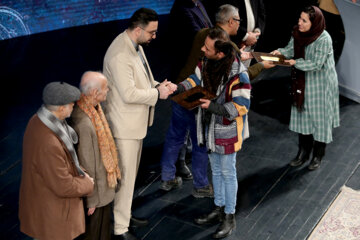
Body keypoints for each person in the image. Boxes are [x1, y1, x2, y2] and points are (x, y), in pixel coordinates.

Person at [102, 8, 176, 240]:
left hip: (134, 123)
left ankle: (123, 213)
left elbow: (142, 78)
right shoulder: (120, 54)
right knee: (124, 178)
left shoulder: (136, 45)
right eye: (152, 32)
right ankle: (120, 228)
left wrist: (158, 85)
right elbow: (129, 94)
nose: (154, 36)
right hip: (124, 126)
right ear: (137, 30)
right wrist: (158, 94)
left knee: (130, 177)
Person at [175, 27, 251, 239]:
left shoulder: (239, 74)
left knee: (228, 172)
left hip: (227, 131)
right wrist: (178, 88)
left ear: (220, 53)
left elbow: (242, 106)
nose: (202, 49)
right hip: (208, 129)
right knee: (216, 171)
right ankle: (218, 207)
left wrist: (214, 107)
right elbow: (194, 79)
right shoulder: (206, 62)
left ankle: (229, 216)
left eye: (207, 48)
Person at [19, 81, 94, 240]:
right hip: (52, 216)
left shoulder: (39, 119)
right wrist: (88, 183)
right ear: (61, 108)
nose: (74, 105)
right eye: (71, 103)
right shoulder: (48, 142)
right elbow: (63, 186)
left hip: (44, 209)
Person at [270, 6, 340, 170]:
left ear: (314, 23)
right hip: (303, 82)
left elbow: (316, 63)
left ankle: (318, 154)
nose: (299, 23)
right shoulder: (298, 33)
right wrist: (278, 53)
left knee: (320, 120)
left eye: (304, 20)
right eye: (299, 19)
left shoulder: (324, 39)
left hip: (321, 84)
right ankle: (303, 152)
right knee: (303, 117)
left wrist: (295, 63)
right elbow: (289, 50)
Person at [70, 71, 121, 240]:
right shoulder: (84, 122)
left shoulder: (94, 109)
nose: (108, 90)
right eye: (105, 88)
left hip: (103, 190)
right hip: (96, 196)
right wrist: (90, 201)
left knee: (103, 232)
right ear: (94, 93)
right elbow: (86, 166)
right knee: (94, 234)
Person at [167, 0, 214, 180]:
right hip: (185, 73)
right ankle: (178, 162)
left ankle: (186, 154)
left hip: (199, 71)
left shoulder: (198, 3)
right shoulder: (181, 9)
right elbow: (200, 34)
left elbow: (209, 28)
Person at [204, 0, 266, 67]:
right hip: (237, 44)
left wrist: (256, 33)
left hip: (245, 48)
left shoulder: (206, 34)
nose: (239, 24)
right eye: (238, 21)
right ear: (231, 22)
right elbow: (238, 75)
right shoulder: (225, 45)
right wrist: (262, 65)